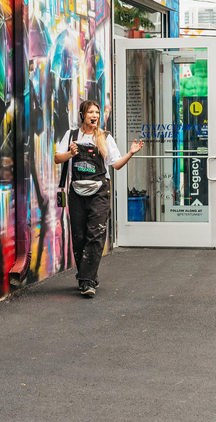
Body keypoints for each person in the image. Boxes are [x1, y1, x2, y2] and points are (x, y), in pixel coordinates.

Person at [54, 100, 143, 297]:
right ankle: (88, 276)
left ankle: (86, 282)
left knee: (95, 234)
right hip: (76, 192)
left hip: (100, 193)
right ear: (82, 115)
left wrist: (130, 153)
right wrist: (71, 153)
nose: (94, 115)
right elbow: (57, 158)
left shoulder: (105, 137)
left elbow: (116, 165)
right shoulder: (71, 135)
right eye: (90, 112)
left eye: (97, 112)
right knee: (79, 237)